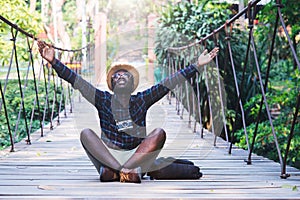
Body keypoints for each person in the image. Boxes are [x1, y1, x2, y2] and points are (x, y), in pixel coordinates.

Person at [37, 40, 219, 183]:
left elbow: (169, 83)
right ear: (112, 84)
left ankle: (119, 172)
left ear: (132, 84)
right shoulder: (102, 99)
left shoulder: (142, 99)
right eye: (117, 75)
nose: (121, 76)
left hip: (136, 155)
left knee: (159, 134)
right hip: (108, 155)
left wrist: (197, 65)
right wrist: (53, 61)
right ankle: (124, 171)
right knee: (86, 133)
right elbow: (75, 80)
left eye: (126, 75)